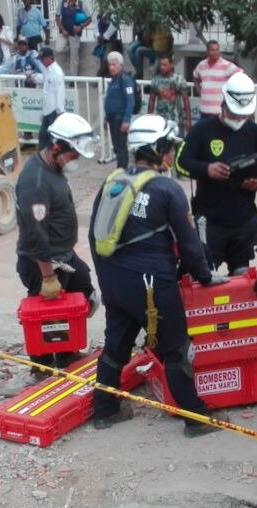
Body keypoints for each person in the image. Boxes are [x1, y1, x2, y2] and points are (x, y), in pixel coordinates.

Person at [88, 114, 228, 436]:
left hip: (114, 281)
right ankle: (196, 418)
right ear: (158, 149)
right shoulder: (167, 190)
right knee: (175, 349)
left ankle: (104, 410)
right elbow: (191, 247)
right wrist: (206, 277)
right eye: (168, 147)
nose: (171, 154)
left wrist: (106, 283)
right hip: (152, 286)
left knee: (115, 347)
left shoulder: (111, 183)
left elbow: (95, 240)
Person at [15, 113, 100, 369]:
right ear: (56, 148)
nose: (75, 160)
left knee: (86, 294)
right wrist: (48, 277)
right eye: (73, 154)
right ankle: (42, 365)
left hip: (63, 255)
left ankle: (66, 354)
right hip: (43, 262)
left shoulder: (52, 167)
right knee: (47, 318)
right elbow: (35, 232)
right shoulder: (35, 181)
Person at [176, 72, 257, 274]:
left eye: (243, 115)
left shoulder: (256, 132)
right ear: (223, 104)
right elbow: (180, 163)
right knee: (204, 278)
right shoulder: (202, 130)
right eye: (235, 113)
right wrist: (206, 169)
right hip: (210, 222)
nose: (239, 118)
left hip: (244, 221)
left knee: (241, 279)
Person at [192, 41, 242, 119]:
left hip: (219, 111)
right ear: (207, 52)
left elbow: (241, 75)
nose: (216, 52)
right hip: (204, 110)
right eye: (213, 50)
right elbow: (195, 77)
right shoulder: (201, 65)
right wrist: (199, 90)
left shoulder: (226, 65)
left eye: (217, 49)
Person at [104, 52, 136, 169]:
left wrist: (126, 120)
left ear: (120, 65)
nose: (111, 67)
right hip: (112, 118)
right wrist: (106, 118)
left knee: (121, 146)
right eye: (110, 65)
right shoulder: (114, 80)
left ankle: (122, 169)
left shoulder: (125, 79)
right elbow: (109, 101)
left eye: (113, 65)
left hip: (120, 117)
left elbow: (130, 101)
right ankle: (120, 167)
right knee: (116, 146)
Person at [30, 47, 66, 149]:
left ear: (50, 58)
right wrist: (33, 76)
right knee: (43, 137)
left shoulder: (57, 72)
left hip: (54, 111)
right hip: (47, 110)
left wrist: (59, 111)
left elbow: (60, 92)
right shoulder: (47, 70)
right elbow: (44, 79)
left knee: (53, 139)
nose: (41, 61)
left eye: (43, 58)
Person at [148, 54, 191, 136]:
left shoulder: (179, 79)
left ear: (171, 65)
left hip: (177, 119)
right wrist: (149, 117)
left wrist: (188, 119)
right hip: (160, 120)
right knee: (161, 146)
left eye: (164, 65)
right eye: (160, 65)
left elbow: (186, 100)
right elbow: (151, 100)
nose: (162, 67)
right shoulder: (155, 80)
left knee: (177, 145)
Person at [58, 0, 91, 76]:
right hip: (64, 33)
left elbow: (89, 19)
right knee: (59, 48)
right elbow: (57, 17)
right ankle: (70, 47)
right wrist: (62, 30)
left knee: (74, 57)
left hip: (74, 34)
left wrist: (81, 26)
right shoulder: (62, 3)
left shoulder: (81, 4)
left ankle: (73, 77)